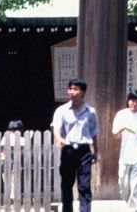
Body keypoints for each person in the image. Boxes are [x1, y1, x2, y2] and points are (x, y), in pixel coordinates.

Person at [51, 77, 99, 212]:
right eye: (70, 88)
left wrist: (96, 151)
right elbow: (56, 128)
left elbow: (94, 132)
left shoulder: (91, 112)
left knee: (84, 185)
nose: (72, 92)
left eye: (75, 89)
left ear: (82, 92)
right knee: (66, 184)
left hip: (84, 151)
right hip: (68, 150)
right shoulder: (61, 110)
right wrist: (59, 138)